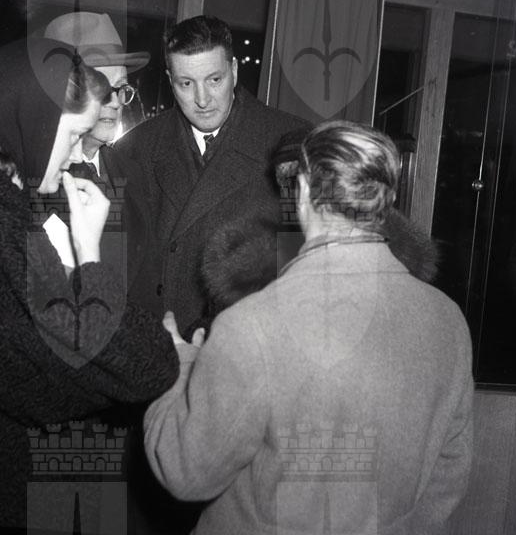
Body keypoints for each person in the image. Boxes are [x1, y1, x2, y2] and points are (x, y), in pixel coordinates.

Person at [144, 121, 474, 534]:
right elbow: (448, 476)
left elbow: (187, 472)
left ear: (301, 191)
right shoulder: (447, 320)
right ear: (385, 199)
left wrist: (185, 372)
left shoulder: (252, 325)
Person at [0, 37, 178, 531]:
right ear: (38, 118)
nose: (77, 151)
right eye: (73, 134)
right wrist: (90, 250)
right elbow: (142, 366)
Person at [114, 14, 309, 338]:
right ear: (170, 80)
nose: (202, 100)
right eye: (186, 84)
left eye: (214, 80)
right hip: (162, 341)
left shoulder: (292, 145)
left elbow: (302, 266)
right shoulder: (136, 149)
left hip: (251, 340)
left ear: (234, 71)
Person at [43, 11, 150, 187]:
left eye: (122, 87)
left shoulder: (133, 173)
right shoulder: (42, 176)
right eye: (102, 88)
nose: (115, 103)